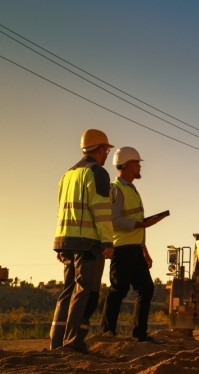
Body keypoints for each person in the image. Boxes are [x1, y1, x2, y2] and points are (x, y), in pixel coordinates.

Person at [51, 129, 115, 353]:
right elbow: (101, 210)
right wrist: (107, 242)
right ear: (99, 149)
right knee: (84, 290)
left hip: (65, 240)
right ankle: (73, 342)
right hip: (88, 242)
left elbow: (61, 210)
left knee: (68, 291)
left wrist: (59, 243)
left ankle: (57, 341)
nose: (106, 154)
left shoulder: (67, 174)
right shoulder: (97, 172)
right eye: (106, 150)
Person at [101, 147, 166, 342]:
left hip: (135, 249)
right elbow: (113, 220)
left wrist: (144, 251)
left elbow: (136, 223)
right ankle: (107, 333)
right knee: (118, 290)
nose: (139, 166)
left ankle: (139, 334)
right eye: (138, 163)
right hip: (122, 249)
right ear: (129, 165)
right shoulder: (117, 190)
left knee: (146, 289)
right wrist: (141, 223)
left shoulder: (131, 189)